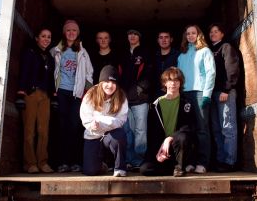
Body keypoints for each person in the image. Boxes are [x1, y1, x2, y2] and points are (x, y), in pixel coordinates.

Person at [50, 19, 93, 173]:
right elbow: (51, 68)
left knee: (75, 127)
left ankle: (76, 161)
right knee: (62, 128)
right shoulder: (57, 50)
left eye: (74, 31)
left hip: (76, 95)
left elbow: (89, 73)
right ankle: (62, 162)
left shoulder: (82, 51)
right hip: (61, 92)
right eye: (68, 30)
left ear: (78, 33)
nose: (71, 33)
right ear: (64, 32)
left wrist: (85, 93)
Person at [140, 67, 196, 177]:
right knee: (145, 169)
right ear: (165, 83)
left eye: (176, 81)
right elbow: (151, 133)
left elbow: (188, 128)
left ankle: (179, 167)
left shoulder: (187, 103)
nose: (173, 84)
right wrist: (157, 152)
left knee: (183, 137)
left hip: (178, 147)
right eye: (170, 81)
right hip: (162, 149)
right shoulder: (156, 104)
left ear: (180, 83)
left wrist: (170, 138)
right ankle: (172, 169)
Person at [177, 24, 216, 174]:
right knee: (188, 130)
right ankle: (190, 162)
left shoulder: (205, 51)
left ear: (198, 34)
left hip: (200, 93)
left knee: (202, 129)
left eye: (193, 33)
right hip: (186, 94)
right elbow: (179, 77)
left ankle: (203, 162)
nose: (191, 36)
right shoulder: (182, 55)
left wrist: (207, 94)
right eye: (188, 34)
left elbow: (210, 73)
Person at [16, 27, 55, 173]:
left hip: (45, 96)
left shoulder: (50, 58)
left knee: (44, 130)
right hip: (30, 93)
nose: (46, 39)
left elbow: (51, 79)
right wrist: (20, 93)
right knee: (29, 130)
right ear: (37, 38)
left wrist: (54, 96)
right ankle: (30, 163)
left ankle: (42, 162)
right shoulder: (29, 53)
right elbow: (24, 73)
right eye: (43, 36)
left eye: (49, 37)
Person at [80, 65, 128, 177]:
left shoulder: (121, 96)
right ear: (101, 82)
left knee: (120, 135)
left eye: (113, 82)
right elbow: (85, 117)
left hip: (111, 135)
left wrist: (103, 121)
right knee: (90, 171)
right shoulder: (91, 94)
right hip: (93, 134)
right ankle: (101, 165)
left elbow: (121, 120)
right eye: (107, 81)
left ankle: (120, 168)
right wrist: (92, 125)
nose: (110, 85)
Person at [208, 24, 240, 172]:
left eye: (216, 31)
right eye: (211, 32)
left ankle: (229, 161)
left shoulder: (226, 47)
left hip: (224, 92)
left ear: (222, 34)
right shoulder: (210, 50)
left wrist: (227, 89)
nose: (213, 34)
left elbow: (232, 68)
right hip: (212, 93)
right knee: (216, 128)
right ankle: (220, 160)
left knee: (227, 127)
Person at [119, 29, 151, 170]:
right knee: (128, 131)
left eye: (135, 34)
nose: (132, 36)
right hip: (125, 100)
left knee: (141, 131)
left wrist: (141, 88)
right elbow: (117, 74)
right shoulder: (122, 53)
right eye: (129, 34)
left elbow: (151, 73)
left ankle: (139, 161)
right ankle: (129, 161)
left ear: (139, 37)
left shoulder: (145, 52)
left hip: (140, 100)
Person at [152, 31, 180, 99]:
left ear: (171, 40)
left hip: (173, 92)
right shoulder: (153, 56)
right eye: (161, 38)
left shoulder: (178, 55)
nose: (163, 40)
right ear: (158, 40)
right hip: (156, 93)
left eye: (166, 37)